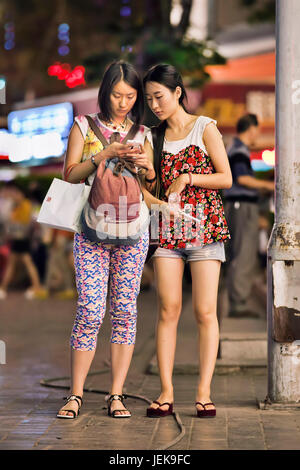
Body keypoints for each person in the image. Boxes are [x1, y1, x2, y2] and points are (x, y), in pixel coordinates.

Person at [57, 60, 161, 419]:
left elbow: (148, 188)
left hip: (132, 231)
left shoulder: (144, 133)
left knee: (125, 312)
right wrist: (103, 155)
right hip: (91, 230)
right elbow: (69, 176)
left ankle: (116, 395)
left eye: (131, 96)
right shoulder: (83, 126)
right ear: (105, 93)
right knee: (89, 310)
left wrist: (145, 167)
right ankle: (75, 394)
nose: (124, 102)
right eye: (117, 95)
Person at [143, 64, 232, 418]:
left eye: (159, 97)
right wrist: (149, 180)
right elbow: (148, 189)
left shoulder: (205, 127)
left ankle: (204, 393)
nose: (154, 105)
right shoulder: (152, 137)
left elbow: (225, 178)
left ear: (178, 92)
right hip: (167, 232)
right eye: (149, 99)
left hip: (206, 229)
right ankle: (166, 392)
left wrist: (189, 177)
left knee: (205, 312)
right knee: (168, 309)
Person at [223, 114, 274, 318]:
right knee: (244, 252)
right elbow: (243, 179)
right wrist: (269, 185)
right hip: (241, 207)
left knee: (240, 252)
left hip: (238, 206)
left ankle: (238, 300)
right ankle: (239, 303)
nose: (258, 133)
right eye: (258, 129)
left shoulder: (235, 148)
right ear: (251, 128)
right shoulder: (239, 150)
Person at [0, 182, 46, 300]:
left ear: (21, 194)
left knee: (25, 263)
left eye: (16, 193)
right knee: (17, 263)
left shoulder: (25, 205)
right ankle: (36, 287)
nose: (13, 195)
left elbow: (24, 223)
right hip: (19, 239)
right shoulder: (19, 205)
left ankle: (36, 288)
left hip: (22, 239)